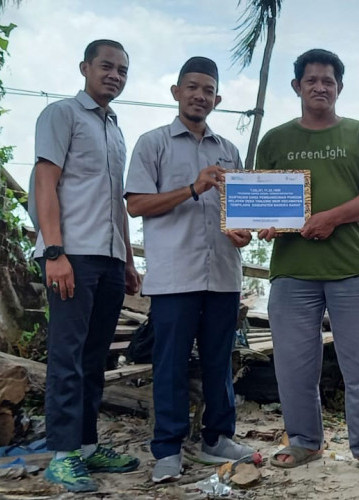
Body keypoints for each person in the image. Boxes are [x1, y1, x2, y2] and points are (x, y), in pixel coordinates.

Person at [256, 48, 359, 473]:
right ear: (297, 86)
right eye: (311, 80)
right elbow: (261, 201)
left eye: (328, 81)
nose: (320, 87)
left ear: (339, 87)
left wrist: (332, 219)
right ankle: (303, 442)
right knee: (294, 368)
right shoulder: (275, 141)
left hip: (352, 269)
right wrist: (262, 224)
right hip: (291, 273)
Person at [125, 57, 254, 483]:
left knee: (219, 360)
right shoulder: (153, 143)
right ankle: (167, 449)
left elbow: (238, 214)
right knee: (171, 363)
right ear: (176, 92)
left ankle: (217, 438)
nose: (200, 96)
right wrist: (192, 188)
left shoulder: (229, 150)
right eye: (192, 87)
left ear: (218, 99)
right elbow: (137, 204)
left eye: (208, 90)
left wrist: (244, 234)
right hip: (174, 275)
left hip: (222, 274)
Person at [30, 39, 141, 493]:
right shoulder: (62, 115)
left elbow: (117, 203)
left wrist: (129, 259)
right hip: (71, 255)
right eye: (106, 67)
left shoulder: (115, 128)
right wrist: (54, 253)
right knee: (68, 355)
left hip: (109, 258)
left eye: (122, 70)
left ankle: (88, 446)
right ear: (85, 68)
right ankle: (61, 453)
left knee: (96, 356)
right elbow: (45, 181)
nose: (114, 75)